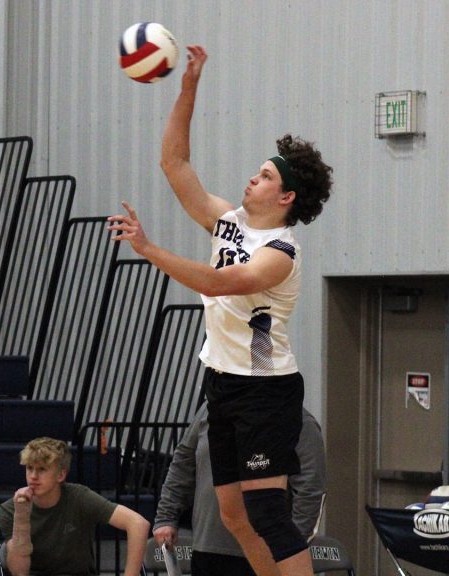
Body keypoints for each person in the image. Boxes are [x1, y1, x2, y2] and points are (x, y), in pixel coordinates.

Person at [108, 45, 332, 576]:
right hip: (223, 382)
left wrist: (149, 248)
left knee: (268, 513)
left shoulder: (280, 253)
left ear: (286, 197)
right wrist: (188, 86)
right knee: (233, 514)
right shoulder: (228, 221)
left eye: (265, 176)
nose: (252, 178)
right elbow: (175, 164)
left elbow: (216, 282)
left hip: (265, 389)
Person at [153, 404, 327, 576]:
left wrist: (290, 551)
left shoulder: (299, 420)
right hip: (207, 547)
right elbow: (183, 461)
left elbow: (310, 491)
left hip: (264, 554)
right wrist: (166, 516)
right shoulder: (213, 407)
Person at [0, 437, 151, 576]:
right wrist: (21, 518)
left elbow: (138, 524)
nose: (33, 476)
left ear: (61, 475)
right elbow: (19, 572)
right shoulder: (11, 509)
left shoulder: (79, 497)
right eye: (29, 468)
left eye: (42, 469)